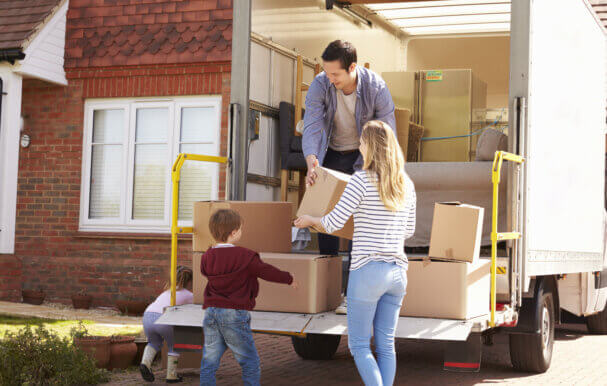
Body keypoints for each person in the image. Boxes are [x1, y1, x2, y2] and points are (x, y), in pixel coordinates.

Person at [295, 120, 416, 386]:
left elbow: (334, 222)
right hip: (397, 273)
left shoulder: (360, 180)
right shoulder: (406, 184)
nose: (359, 146)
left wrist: (309, 219)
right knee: (386, 345)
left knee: (360, 346)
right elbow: (409, 230)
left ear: (371, 147)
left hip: (367, 271)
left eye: (362, 142)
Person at [302, 39, 397, 314]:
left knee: (360, 222)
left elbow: (387, 132)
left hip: (364, 156)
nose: (330, 79)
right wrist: (311, 161)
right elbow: (313, 124)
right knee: (326, 218)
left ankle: (355, 296)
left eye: (335, 74)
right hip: (330, 153)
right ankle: (329, 292)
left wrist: (375, 171)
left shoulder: (376, 88)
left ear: (352, 68)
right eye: (327, 73)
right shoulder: (321, 84)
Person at [199, 209, 298, 386]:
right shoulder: (245, 256)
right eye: (241, 229)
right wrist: (288, 278)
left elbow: (205, 272)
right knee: (249, 361)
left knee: (209, 361)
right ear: (234, 232)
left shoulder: (207, 256)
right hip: (235, 314)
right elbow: (267, 271)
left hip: (211, 312)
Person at [139, 265, 194, 383]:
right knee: (174, 345)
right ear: (189, 282)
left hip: (148, 316)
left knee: (154, 342)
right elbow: (197, 307)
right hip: (164, 318)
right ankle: (171, 375)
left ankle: (145, 364)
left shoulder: (168, 291)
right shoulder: (188, 294)